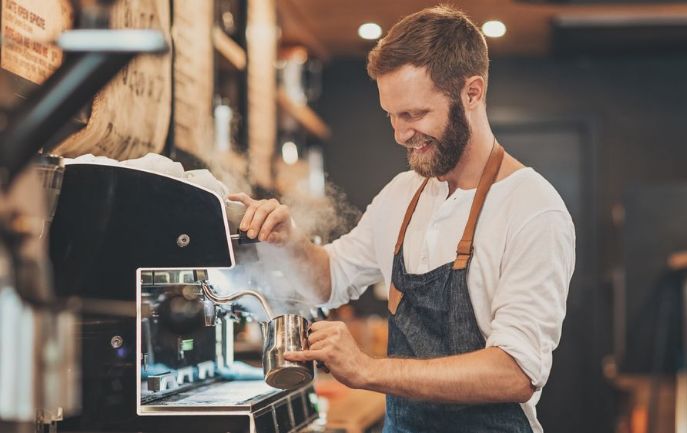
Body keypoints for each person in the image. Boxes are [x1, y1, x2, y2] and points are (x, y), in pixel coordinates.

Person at [228, 5, 575, 432]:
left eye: (415, 114)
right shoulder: (402, 194)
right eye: (391, 116)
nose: (400, 134)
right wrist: (288, 240)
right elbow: (329, 279)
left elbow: (514, 373)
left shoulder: (532, 207)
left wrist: (368, 370)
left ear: (472, 93)